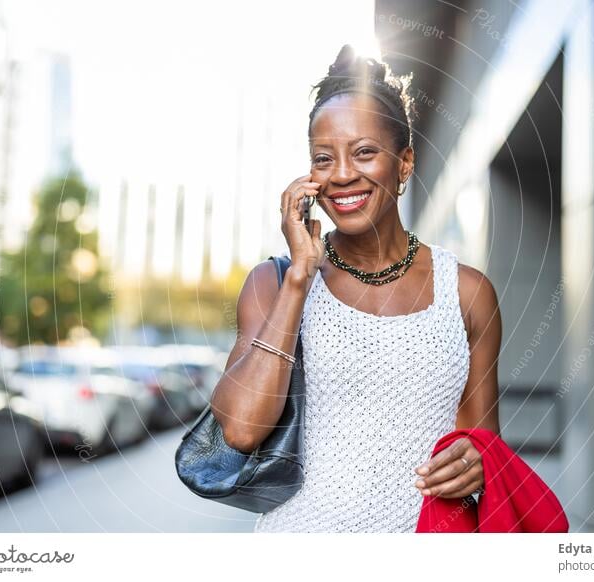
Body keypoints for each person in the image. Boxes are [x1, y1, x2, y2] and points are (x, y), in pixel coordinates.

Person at [210, 44, 503, 533]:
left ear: (404, 163)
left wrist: (476, 463)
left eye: (364, 152)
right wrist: (301, 277)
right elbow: (241, 430)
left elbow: (482, 444)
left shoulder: (468, 293)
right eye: (323, 158)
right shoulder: (275, 283)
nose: (342, 174)